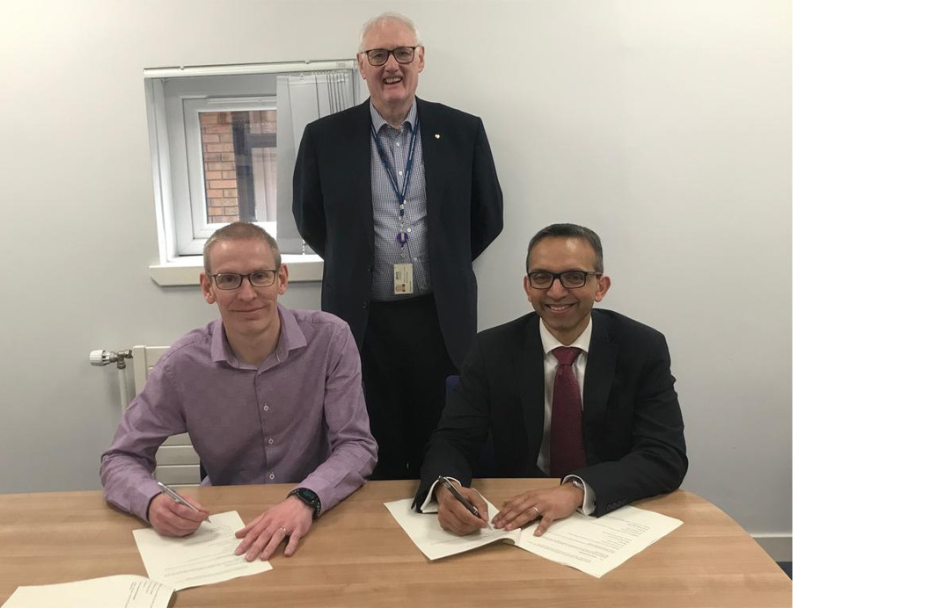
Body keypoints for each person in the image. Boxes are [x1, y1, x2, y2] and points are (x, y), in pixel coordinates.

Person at [293, 12, 504, 480]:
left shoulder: (463, 131)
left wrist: (445, 261)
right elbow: (309, 218)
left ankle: (441, 516)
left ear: (420, 59)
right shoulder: (324, 137)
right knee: (369, 443)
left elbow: (488, 215)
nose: (392, 65)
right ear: (361, 65)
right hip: (363, 320)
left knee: (444, 436)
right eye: (378, 55)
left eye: (402, 53)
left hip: (439, 316)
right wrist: (357, 261)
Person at [101, 222, 377, 561]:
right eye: (229, 279)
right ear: (208, 288)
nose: (247, 294)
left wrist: (306, 499)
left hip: (318, 514)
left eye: (260, 276)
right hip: (226, 530)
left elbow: (357, 445)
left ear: (282, 279)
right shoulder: (182, 364)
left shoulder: (331, 340)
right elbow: (120, 458)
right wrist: (152, 501)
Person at [413, 223, 688, 537]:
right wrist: (447, 489)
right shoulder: (492, 349)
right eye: (542, 277)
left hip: (609, 515)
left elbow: (664, 455)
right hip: (517, 516)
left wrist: (574, 491)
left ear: (601, 286)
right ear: (528, 287)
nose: (556, 291)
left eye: (574, 277)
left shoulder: (642, 348)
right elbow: (453, 439)